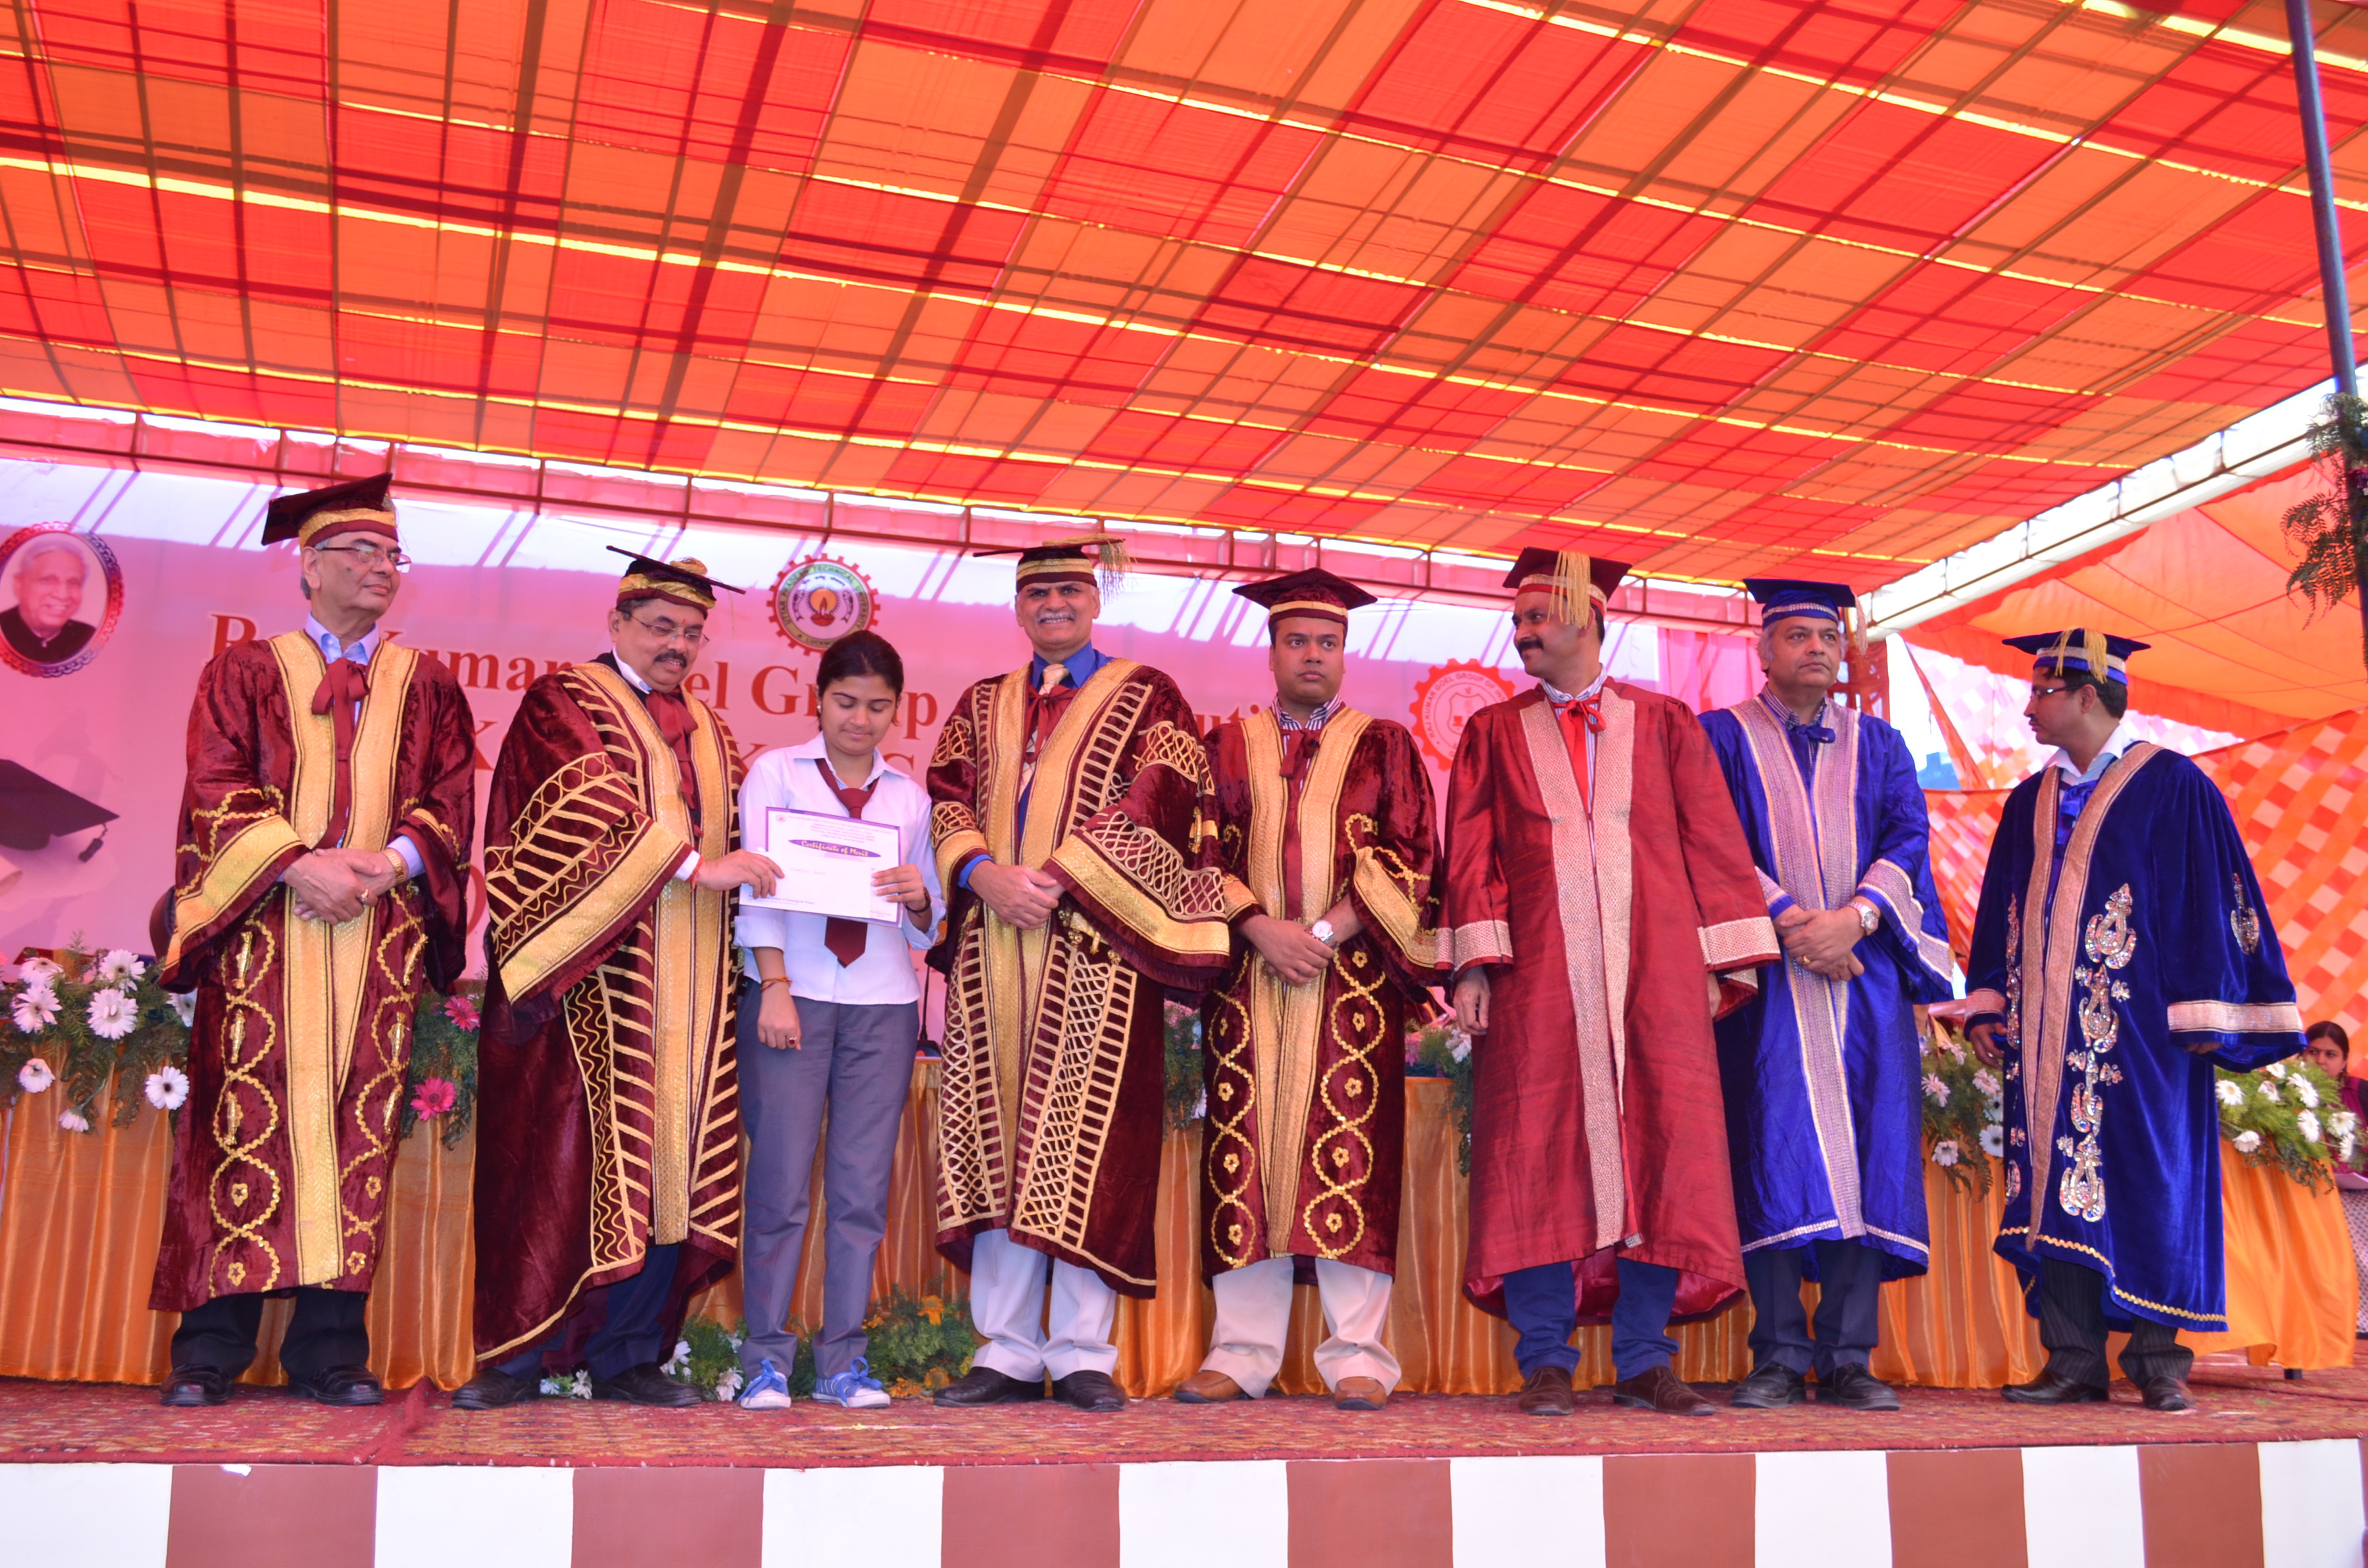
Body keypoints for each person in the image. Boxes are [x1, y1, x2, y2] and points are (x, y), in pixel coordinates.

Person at [152, 473, 477, 1407]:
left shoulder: (428, 685)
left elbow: (451, 799)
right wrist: (301, 867)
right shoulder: (246, 671)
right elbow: (215, 786)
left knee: (354, 1129)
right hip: (265, 936)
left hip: (377, 940)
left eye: (392, 555)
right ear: (309, 565)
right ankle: (210, 1350)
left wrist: (391, 866)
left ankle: (331, 1351)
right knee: (241, 1120)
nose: (383, 568)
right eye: (362, 552)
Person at [1442, 547, 1778, 1417]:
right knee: (1536, 1151)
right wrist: (1474, 964)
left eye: (1537, 618)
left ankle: (1643, 1359)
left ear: (1588, 619)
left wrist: (1721, 965)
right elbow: (1472, 852)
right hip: (1536, 977)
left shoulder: (1666, 723)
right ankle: (1546, 1359)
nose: (1523, 633)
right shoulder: (1492, 732)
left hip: (1656, 972)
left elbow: (1713, 842)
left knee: (1663, 1150)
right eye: (1517, 621)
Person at [456, 552, 782, 1410]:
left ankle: (630, 1355)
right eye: (661, 627)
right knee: (559, 1163)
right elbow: (578, 807)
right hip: (588, 984)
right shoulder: (563, 701)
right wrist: (693, 866)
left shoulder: (712, 731)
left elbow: (744, 838)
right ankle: (518, 1355)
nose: (677, 645)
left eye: (692, 633)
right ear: (618, 623)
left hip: (694, 987)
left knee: (674, 1167)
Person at [925, 534, 1237, 1414]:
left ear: (1095, 602)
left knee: (1089, 1144)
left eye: (1069, 592)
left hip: (1098, 947)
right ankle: (1006, 1351)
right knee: (995, 1141)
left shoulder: (1148, 694)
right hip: (991, 949)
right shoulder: (981, 702)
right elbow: (946, 795)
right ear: (1018, 608)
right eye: (1038, 593)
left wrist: (1059, 880)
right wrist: (982, 873)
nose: (1054, 605)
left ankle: (1082, 1353)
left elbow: (1162, 794)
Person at [1965, 629, 2305, 1413]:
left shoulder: (2174, 786)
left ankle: (2159, 1363)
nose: (2028, 707)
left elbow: (2212, 901)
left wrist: (2205, 1012)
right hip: (2045, 1038)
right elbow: (1997, 909)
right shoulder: (2028, 800)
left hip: (2145, 1036)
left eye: (2043, 692)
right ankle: (2073, 1360)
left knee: (2153, 1181)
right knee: (2056, 1188)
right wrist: (1990, 998)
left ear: (2088, 695)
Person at [1172, 569, 1441, 1413]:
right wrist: (1260, 928)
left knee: (1350, 1156)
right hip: (1248, 983)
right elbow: (1197, 855)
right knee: (1243, 1159)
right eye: (1297, 641)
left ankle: (1358, 1356)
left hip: (1350, 983)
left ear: (1346, 652)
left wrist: (1323, 933)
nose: (1312, 655)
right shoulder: (1225, 746)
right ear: (1272, 651)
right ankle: (1240, 1354)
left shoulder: (1385, 745)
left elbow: (1412, 856)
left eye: (1328, 642)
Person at [1702, 580, 1953, 1414]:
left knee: (1867, 1154)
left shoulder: (1881, 744)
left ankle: (1849, 1357)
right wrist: (1789, 920)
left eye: (1829, 636)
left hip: (1864, 976)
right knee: (1770, 1147)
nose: (1817, 648)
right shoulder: (1719, 738)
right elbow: (1711, 841)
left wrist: (1855, 919)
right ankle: (1777, 1355)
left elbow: (1908, 839)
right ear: (1763, 649)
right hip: (1765, 979)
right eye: (1798, 635)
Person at [731, 630, 944, 1411]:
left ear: (898, 710)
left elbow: (928, 923)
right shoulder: (776, 773)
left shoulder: (909, 798)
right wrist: (775, 985)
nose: (860, 719)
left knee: (860, 1192)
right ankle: (765, 1361)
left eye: (877, 706)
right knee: (781, 1183)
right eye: (846, 702)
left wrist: (919, 898)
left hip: (883, 1004)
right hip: (793, 993)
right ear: (817, 699)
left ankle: (843, 1362)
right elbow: (757, 887)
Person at [1, 534, 94, 664]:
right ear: (20, 585)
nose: (63, 595)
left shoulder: (88, 637)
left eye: (73, 582)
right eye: (48, 580)